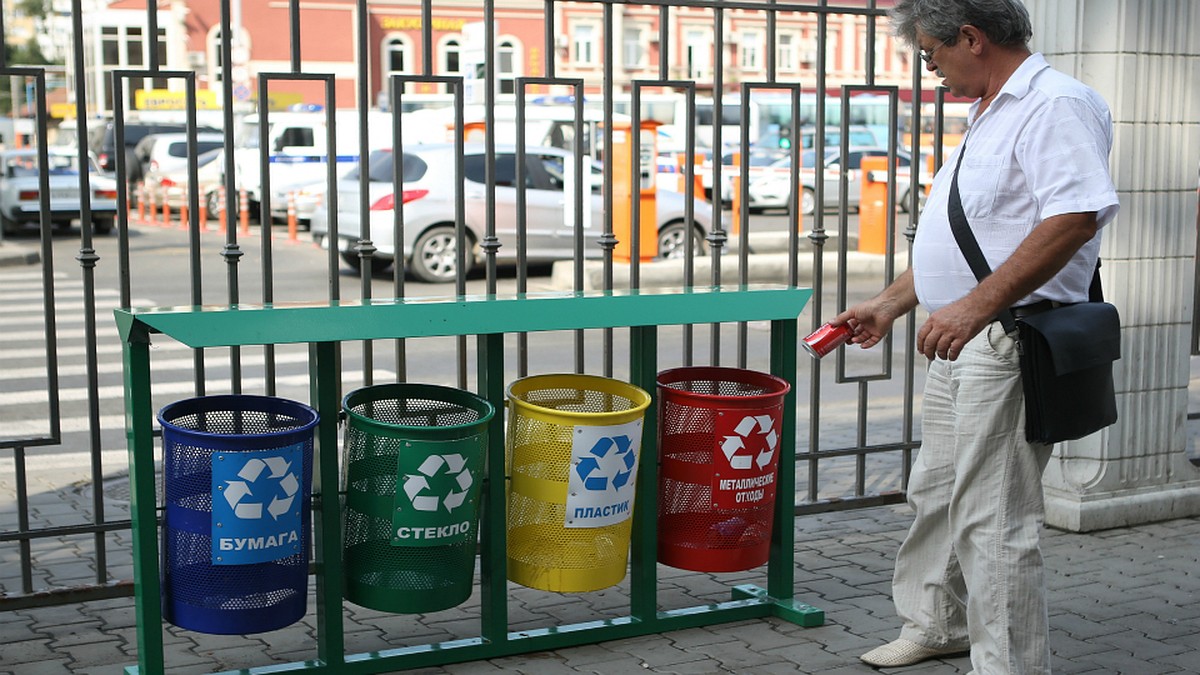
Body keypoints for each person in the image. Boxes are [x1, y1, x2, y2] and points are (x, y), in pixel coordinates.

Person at [837, 0, 1120, 672]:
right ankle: (936, 622)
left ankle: (1010, 665)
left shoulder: (1054, 105)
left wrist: (972, 308)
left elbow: (1077, 215)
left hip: (1006, 338)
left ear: (972, 37)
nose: (928, 68)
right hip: (966, 340)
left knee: (992, 519)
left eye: (931, 54)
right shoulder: (989, 114)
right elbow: (971, 238)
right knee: (936, 492)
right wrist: (890, 303)